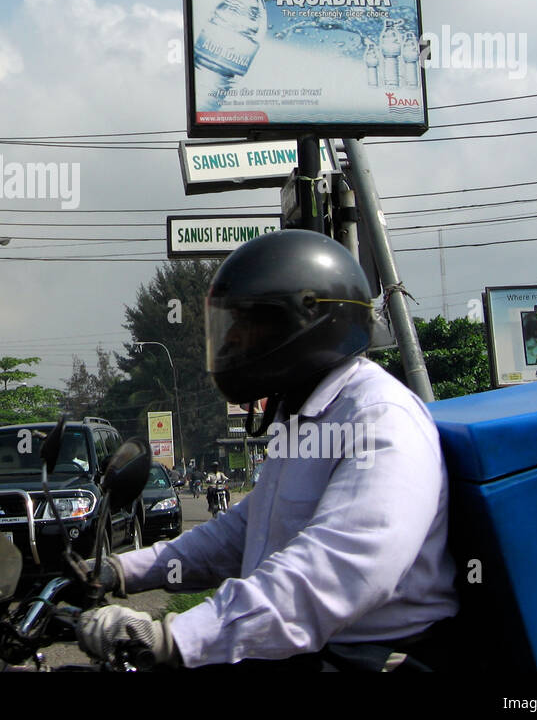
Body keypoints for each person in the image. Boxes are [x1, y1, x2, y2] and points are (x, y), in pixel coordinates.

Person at [77, 229, 459, 671]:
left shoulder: (379, 416)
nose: (233, 338)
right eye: (229, 323)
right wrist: (120, 570)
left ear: (306, 319)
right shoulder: (302, 415)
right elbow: (243, 530)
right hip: (302, 650)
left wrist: (172, 636)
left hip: (365, 659)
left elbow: (334, 575)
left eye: (247, 321)